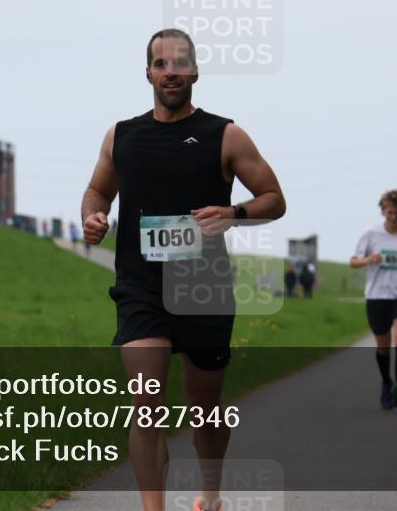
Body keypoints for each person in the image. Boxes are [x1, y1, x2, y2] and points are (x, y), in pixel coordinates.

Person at [82, 28, 286, 511]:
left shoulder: (226, 134)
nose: (170, 72)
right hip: (140, 287)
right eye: (161, 64)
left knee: (205, 411)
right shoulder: (122, 135)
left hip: (203, 287)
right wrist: (93, 216)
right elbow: (97, 190)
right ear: (148, 72)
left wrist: (232, 214)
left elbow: (274, 199)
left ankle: (210, 496)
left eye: (179, 64)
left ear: (194, 71)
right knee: (146, 407)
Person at [350, 190, 397, 411]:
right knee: (383, 348)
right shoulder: (370, 234)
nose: (393, 217)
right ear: (383, 210)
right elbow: (353, 261)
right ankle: (386, 382)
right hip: (377, 295)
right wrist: (369, 260)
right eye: (390, 212)